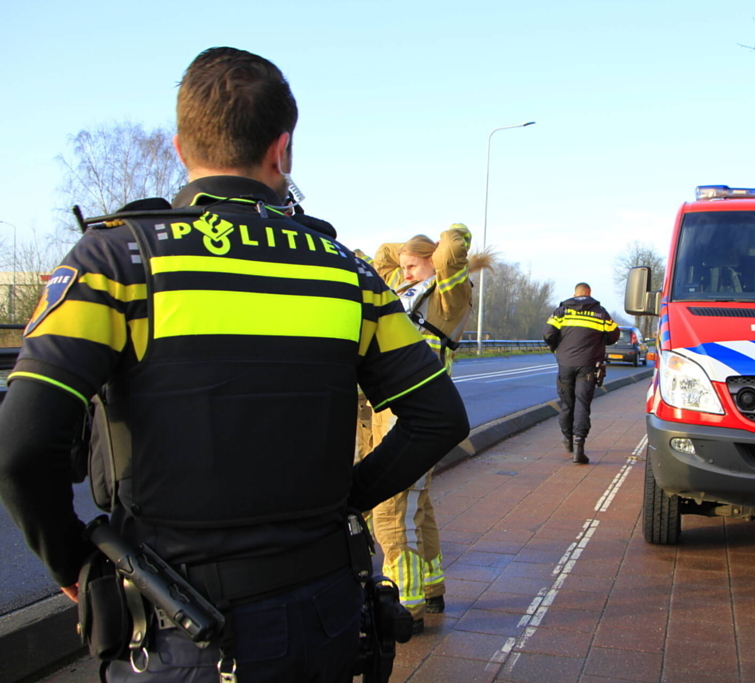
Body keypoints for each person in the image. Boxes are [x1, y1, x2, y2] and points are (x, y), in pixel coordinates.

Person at [0, 47, 469, 682]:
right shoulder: (345, 274)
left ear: (178, 147)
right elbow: (437, 417)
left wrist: (72, 563)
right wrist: (345, 503)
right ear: (282, 150)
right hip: (325, 615)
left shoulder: (116, 261)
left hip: (176, 626)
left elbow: (23, 446)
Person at [360, 226, 490, 632]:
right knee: (417, 506)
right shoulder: (401, 288)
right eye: (403, 269)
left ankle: (406, 607)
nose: (406, 274)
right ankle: (431, 588)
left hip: (412, 412)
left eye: (413, 267)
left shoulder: (448, 297)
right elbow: (380, 254)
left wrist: (434, 253)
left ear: (434, 264)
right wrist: (408, 256)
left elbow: (453, 245)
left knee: (391, 512)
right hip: (387, 409)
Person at [542, 283, 620, 464]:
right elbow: (614, 335)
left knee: (567, 404)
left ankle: (568, 440)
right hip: (588, 365)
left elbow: (547, 333)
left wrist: (556, 348)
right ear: (589, 293)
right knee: (582, 405)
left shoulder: (561, 312)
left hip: (565, 365)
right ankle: (579, 447)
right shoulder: (601, 313)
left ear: (574, 294)